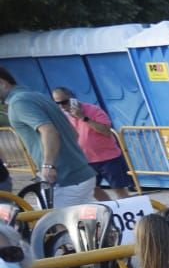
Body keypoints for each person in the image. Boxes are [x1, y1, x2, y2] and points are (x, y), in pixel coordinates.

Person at [0, 66, 97, 208]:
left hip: (65, 181)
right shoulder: (36, 96)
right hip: (80, 176)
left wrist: (48, 165)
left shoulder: (19, 102)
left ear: (2, 83)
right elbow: (73, 133)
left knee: (54, 227)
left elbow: (49, 131)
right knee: (82, 226)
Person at [51, 88, 134, 200]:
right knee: (93, 189)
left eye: (64, 102)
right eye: (57, 103)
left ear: (73, 99)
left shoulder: (93, 110)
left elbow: (106, 131)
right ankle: (110, 210)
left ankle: (126, 210)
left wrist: (83, 117)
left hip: (108, 158)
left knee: (119, 188)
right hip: (85, 160)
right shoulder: (62, 116)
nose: (61, 106)